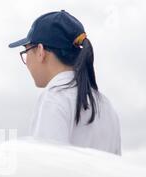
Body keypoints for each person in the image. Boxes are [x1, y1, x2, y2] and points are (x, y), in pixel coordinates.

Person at [9, 10, 121, 156]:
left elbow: (48, 167)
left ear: (40, 51)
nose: (27, 61)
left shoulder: (55, 97)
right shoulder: (106, 106)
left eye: (26, 51)